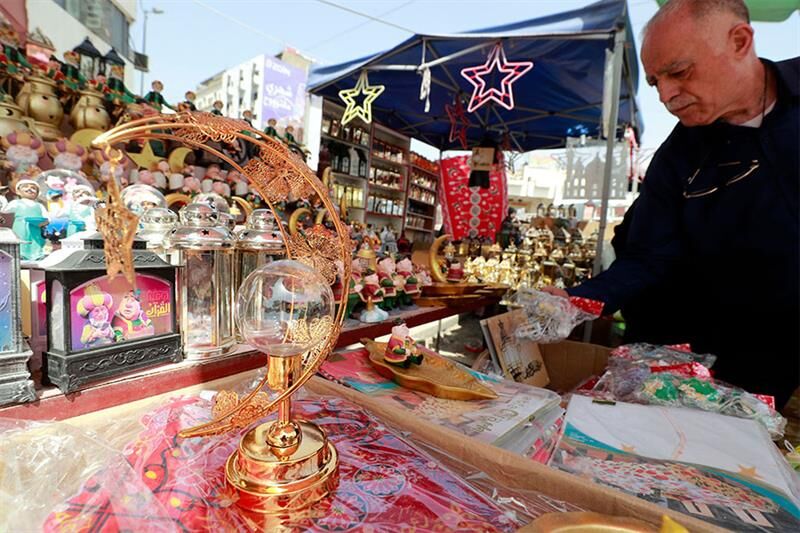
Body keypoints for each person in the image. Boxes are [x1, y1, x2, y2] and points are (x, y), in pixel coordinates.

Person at [547, 0, 799, 408]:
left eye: (679, 72)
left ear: (740, 41)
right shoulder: (678, 155)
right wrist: (575, 302)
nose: (666, 95)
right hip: (696, 364)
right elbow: (647, 254)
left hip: (779, 350)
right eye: (655, 82)